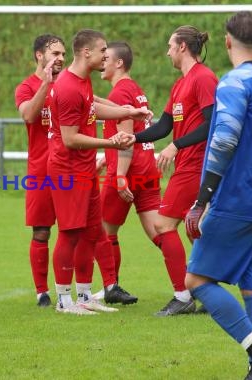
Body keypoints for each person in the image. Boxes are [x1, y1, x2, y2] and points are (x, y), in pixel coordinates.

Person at [185, 11, 252, 379]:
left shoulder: (232, 83)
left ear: (227, 42)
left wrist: (201, 199)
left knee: (195, 280)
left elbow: (225, 139)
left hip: (240, 198)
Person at [48, 29, 153, 315]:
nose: (107, 55)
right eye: (102, 50)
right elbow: (70, 139)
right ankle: (63, 300)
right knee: (70, 234)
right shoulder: (69, 86)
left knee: (92, 232)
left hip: (83, 169)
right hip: (68, 170)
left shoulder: (82, 82)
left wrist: (127, 113)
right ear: (86, 53)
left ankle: (83, 296)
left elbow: (91, 108)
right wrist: (110, 142)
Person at [133, 25, 218, 316]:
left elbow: (211, 124)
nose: (167, 51)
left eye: (170, 45)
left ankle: (182, 297)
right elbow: (163, 126)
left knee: (163, 226)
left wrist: (175, 146)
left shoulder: (204, 78)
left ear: (182, 47)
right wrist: (133, 137)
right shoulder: (180, 84)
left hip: (195, 165)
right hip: (186, 165)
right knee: (198, 231)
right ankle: (208, 294)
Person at [93, 41, 161, 302]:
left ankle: (112, 287)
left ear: (119, 63)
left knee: (102, 231)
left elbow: (126, 134)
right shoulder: (134, 89)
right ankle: (190, 285)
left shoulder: (121, 92)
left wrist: (119, 173)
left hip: (127, 169)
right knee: (161, 232)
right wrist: (105, 157)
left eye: (106, 57)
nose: (102, 62)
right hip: (146, 167)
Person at [14, 34, 66, 307]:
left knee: (75, 231)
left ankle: (71, 290)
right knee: (42, 232)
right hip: (40, 171)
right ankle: (42, 292)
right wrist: (46, 84)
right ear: (39, 55)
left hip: (69, 169)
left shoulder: (69, 84)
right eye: (55, 53)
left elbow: (94, 105)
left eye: (62, 55)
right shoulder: (26, 87)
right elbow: (28, 115)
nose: (60, 59)